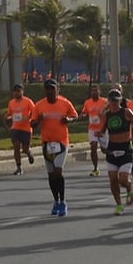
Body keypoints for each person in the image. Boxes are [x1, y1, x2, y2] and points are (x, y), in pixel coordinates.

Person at [31, 79, 78, 216]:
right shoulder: (39, 105)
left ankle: (63, 201)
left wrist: (68, 120)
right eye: (48, 89)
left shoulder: (65, 103)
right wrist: (38, 121)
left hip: (61, 142)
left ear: (58, 89)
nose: (50, 91)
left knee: (58, 171)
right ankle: (56, 201)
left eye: (53, 89)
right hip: (47, 143)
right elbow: (32, 123)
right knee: (51, 174)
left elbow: (74, 115)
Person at [99, 89, 133, 215]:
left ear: (120, 100)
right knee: (113, 179)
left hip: (126, 149)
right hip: (112, 149)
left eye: (116, 101)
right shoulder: (106, 115)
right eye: (112, 101)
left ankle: (129, 187)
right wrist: (100, 137)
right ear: (108, 102)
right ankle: (119, 204)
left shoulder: (126, 112)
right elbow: (102, 130)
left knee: (123, 180)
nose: (114, 103)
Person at [6, 83, 35, 175]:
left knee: (25, 149)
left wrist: (29, 117)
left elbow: (35, 112)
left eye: (18, 91)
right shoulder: (11, 103)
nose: (16, 93)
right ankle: (19, 167)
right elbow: (9, 114)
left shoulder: (28, 101)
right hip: (15, 128)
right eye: (15, 91)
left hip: (26, 128)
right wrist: (8, 117)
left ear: (22, 91)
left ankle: (29, 153)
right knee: (16, 146)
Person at [81, 85, 107, 177]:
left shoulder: (105, 102)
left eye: (96, 91)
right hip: (92, 129)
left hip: (103, 129)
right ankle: (95, 169)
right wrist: (83, 115)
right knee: (93, 146)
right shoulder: (88, 102)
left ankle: (114, 162)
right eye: (92, 91)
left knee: (105, 150)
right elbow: (84, 112)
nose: (94, 92)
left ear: (99, 92)